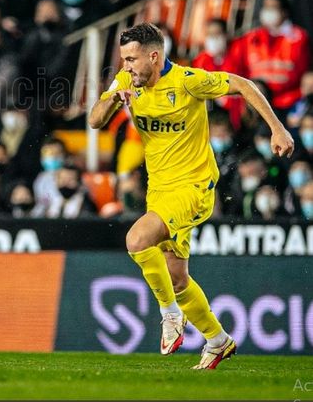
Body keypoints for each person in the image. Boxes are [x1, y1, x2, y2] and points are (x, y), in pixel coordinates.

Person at [88, 23, 294, 369]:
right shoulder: (126, 82)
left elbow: (242, 84)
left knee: (137, 240)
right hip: (160, 189)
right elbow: (94, 121)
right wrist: (112, 100)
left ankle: (169, 315)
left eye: (132, 59)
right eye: (123, 59)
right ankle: (218, 341)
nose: (126, 66)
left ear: (154, 56)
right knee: (177, 278)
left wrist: (277, 127)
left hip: (193, 187)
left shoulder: (188, 81)